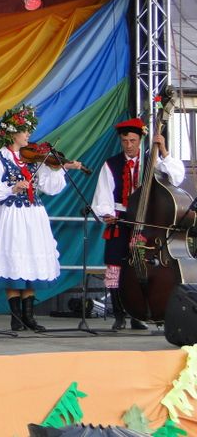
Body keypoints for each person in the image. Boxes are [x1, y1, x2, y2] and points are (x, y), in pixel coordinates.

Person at [0, 103, 82, 332]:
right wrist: (12, 188)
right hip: (11, 215)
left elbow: (50, 188)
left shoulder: (35, 159)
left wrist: (58, 168)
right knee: (13, 263)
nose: (28, 134)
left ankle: (29, 316)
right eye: (24, 130)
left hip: (34, 216)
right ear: (12, 134)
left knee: (30, 262)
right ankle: (16, 317)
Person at [90, 117, 185, 330]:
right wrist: (107, 213)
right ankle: (119, 315)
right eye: (125, 141)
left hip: (147, 223)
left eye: (133, 141)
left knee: (144, 267)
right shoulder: (111, 164)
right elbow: (103, 195)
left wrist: (163, 151)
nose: (129, 145)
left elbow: (177, 177)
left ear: (140, 140)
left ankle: (139, 313)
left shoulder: (152, 161)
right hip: (121, 219)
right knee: (115, 265)